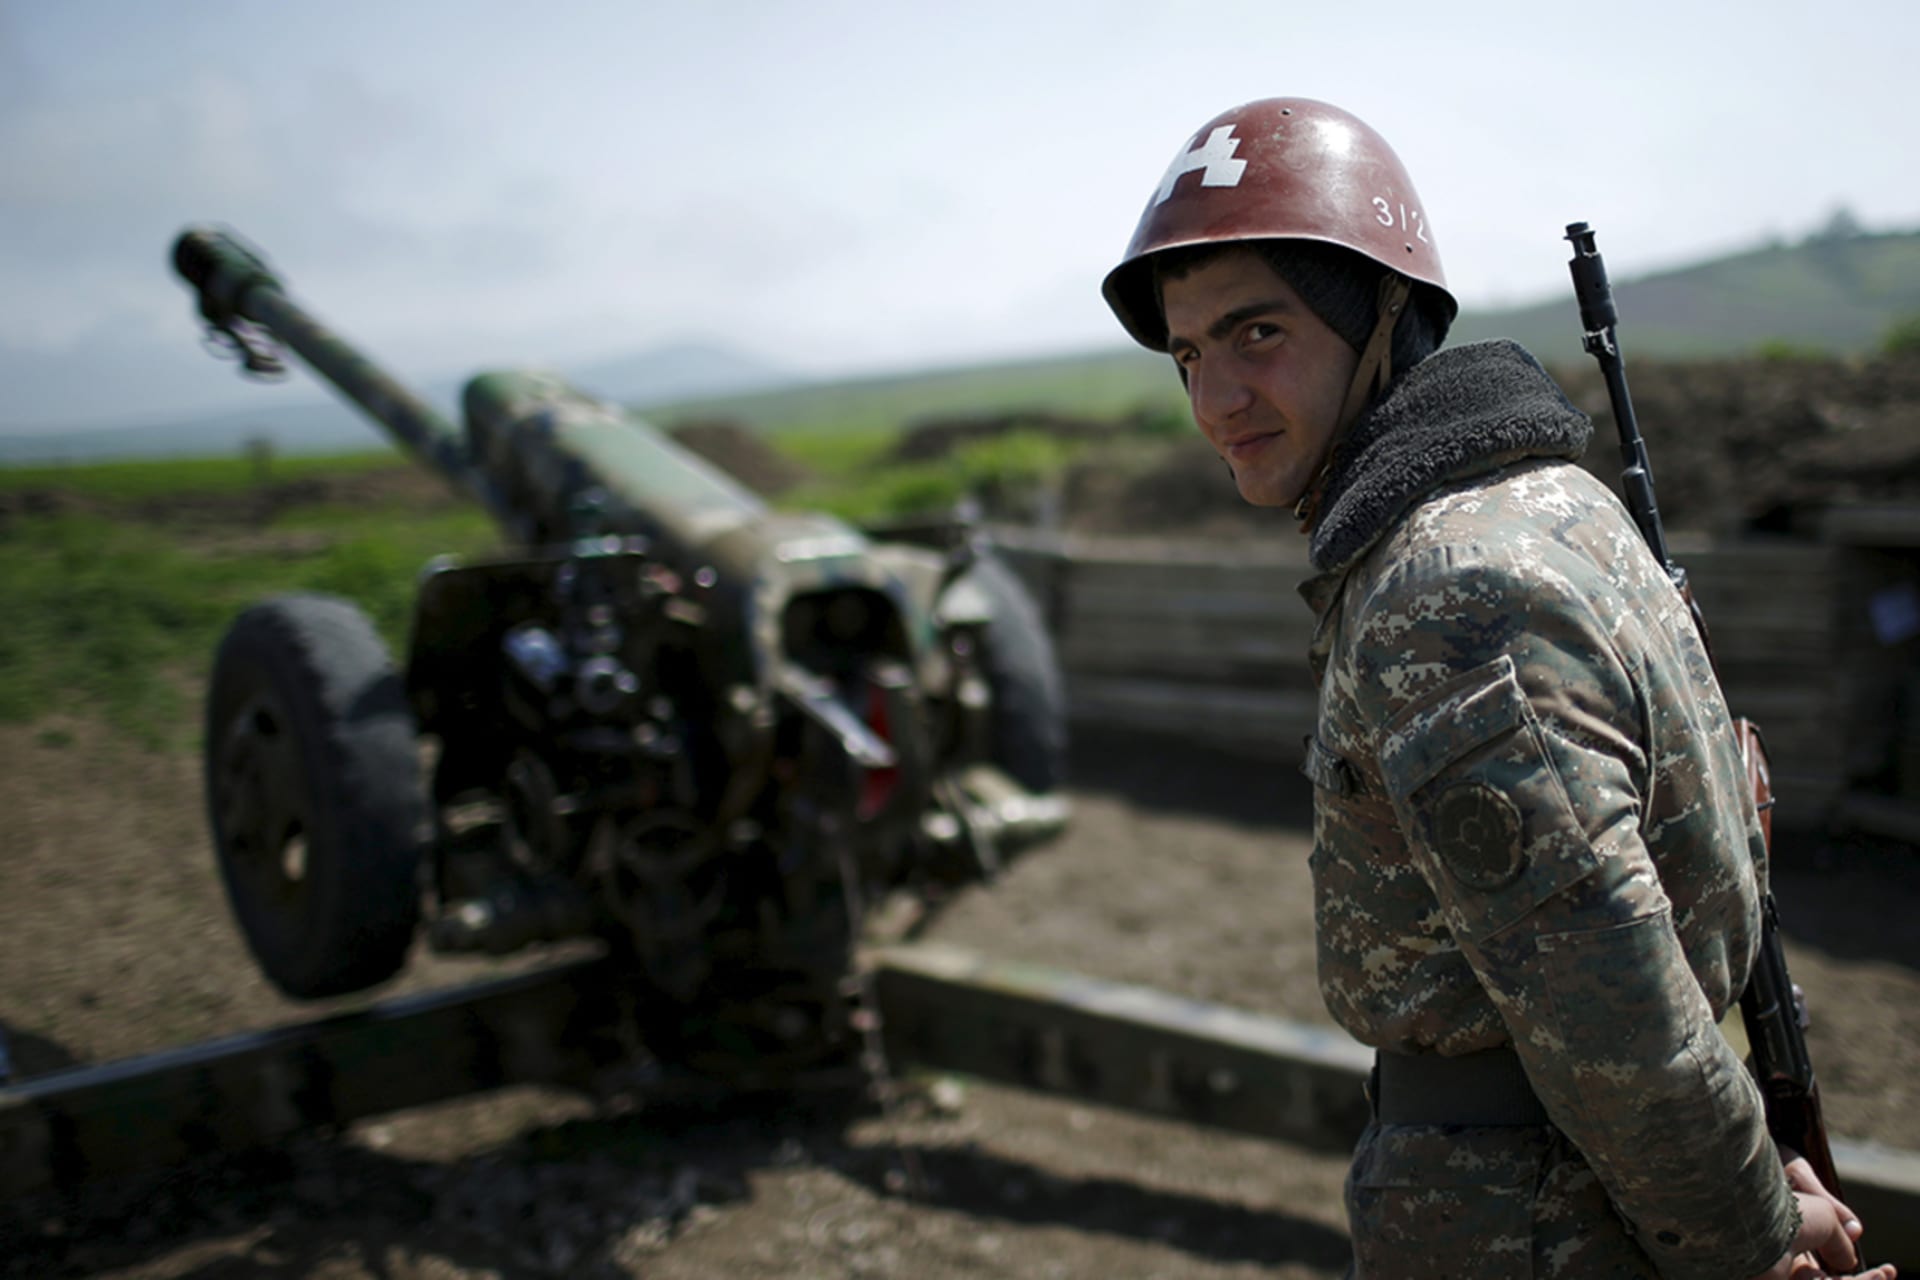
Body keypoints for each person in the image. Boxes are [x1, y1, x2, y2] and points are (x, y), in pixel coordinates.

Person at [1101, 97, 1895, 1280]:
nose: (1214, 400)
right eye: (1188, 354)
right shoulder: (1557, 505)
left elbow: (1610, 1004)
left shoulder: (1446, 586)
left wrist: (1750, 1239)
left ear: (1380, 314)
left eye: (1256, 332)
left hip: (1533, 1220)